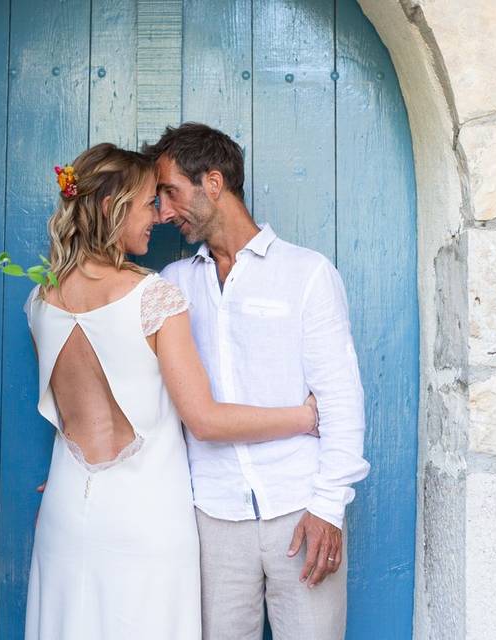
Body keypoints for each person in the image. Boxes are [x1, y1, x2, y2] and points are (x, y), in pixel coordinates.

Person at [22, 143, 320, 640]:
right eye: (147, 204)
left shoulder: (39, 300)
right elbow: (204, 419)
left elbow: (76, 412)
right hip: (147, 515)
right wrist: (304, 417)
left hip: (67, 508)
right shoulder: (154, 296)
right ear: (109, 208)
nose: (158, 217)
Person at [142, 123, 370, 640]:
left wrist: (328, 507)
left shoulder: (306, 273)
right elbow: (140, 393)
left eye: (172, 193)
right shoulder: (172, 285)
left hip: (300, 508)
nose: (165, 212)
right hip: (211, 517)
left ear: (214, 183)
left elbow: (340, 398)